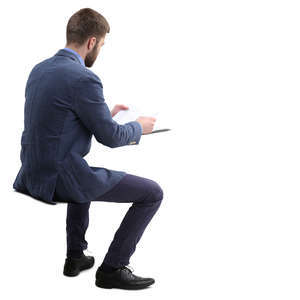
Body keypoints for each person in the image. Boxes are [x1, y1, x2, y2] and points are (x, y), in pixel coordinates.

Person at [12, 7, 164, 290]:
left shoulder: (40, 69)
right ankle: (113, 268)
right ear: (92, 41)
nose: (100, 50)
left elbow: (59, 119)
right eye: (102, 44)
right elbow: (111, 137)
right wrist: (138, 127)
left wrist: (105, 112)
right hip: (59, 177)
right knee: (152, 192)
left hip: (32, 173)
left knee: (82, 174)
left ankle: (75, 257)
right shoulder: (84, 77)